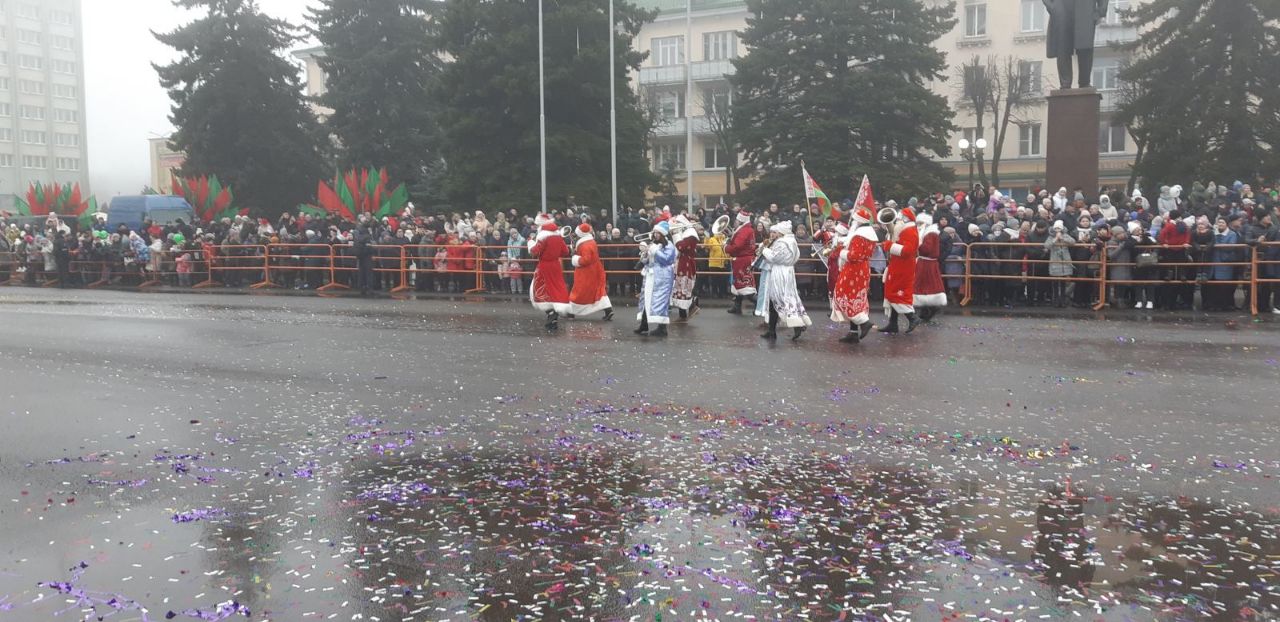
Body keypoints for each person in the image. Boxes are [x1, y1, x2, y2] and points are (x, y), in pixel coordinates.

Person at [830, 205, 878, 343]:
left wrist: (840, 252)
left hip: (853, 269)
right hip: (863, 268)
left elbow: (854, 256)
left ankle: (864, 323)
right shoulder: (869, 234)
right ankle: (853, 332)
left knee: (842, 295)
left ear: (858, 221)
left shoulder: (859, 235)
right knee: (856, 297)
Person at [759, 220, 811, 340]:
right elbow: (796, 256)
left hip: (779, 273)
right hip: (788, 272)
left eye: (777, 232)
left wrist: (765, 250)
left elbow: (774, 257)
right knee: (783, 298)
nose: (775, 234)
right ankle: (772, 331)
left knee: (778, 298)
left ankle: (796, 325)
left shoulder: (782, 243)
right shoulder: (792, 241)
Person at [879, 208, 921, 334]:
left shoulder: (909, 231)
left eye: (901, 216)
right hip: (897, 264)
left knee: (896, 292)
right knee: (891, 290)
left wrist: (889, 246)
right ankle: (893, 323)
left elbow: (908, 250)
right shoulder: (903, 230)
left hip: (904, 266)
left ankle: (913, 317)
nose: (898, 219)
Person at [527, 214, 572, 330]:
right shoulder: (558, 236)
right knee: (556, 288)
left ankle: (551, 313)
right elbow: (565, 252)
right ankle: (555, 312)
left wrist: (530, 243)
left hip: (544, 265)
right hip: (556, 265)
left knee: (539, 289)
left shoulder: (542, 236)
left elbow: (535, 251)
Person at [635, 221, 676, 337]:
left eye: (658, 233)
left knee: (660, 301)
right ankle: (644, 324)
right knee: (645, 299)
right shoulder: (653, 244)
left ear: (663, 234)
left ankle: (662, 328)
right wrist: (644, 257)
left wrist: (655, 251)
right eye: (655, 233)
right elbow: (649, 259)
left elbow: (667, 260)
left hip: (662, 277)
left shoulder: (669, 246)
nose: (655, 235)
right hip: (650, 275)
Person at [567, 223, 612, 320]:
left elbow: (586, 260)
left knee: (579, 291)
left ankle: (571, 312)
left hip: (586, 272)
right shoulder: (590, 241)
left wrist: (575, 258)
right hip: (595, 269)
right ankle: (608, 310)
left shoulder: (585, 245)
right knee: (598, 290)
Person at [913, 212, 946, 320]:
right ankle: (926, 309)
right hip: (927, 263)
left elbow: (927, 249)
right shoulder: (930, 233)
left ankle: (930, 308)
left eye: (920, 223)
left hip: (926, 263)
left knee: (925, 285)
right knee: (927, 285)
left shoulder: (929, 234)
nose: (918, 225)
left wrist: (918, 244)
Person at [724, 211, 757, 314]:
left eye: (737, 220)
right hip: (743, 259)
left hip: (743, 260)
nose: (735, 222)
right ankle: (737, 306)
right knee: (739, 283)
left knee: (745, 285)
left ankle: (758, 305)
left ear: (741, 220)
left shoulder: (744, 231)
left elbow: (737, 246)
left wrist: (726, 247)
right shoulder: (746, 229)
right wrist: (731, 236)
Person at [669, 214, 700, 319]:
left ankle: (691, 306)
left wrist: (675, 234)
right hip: (681, 262)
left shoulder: (691, 234)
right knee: (679, 288)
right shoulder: (686, 232)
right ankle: (684, 313)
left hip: (686, 263)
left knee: (684, 287)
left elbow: (682, 247)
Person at [1045, 221, 1076, 307]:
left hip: (1064, 261)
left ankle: (1062, 300)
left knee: (1063, 283)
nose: (1057, 230)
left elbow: (1073, 242)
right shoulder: (1051, 236)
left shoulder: (1065, 235)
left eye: (1059, 228)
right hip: (1055, 261)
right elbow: (1047, 245)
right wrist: (1055, 239)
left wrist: (1062, 238)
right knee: (1055, 283)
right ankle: (1055, 300)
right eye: (1056, 228)